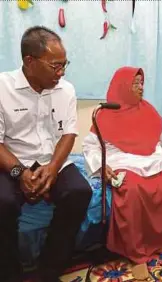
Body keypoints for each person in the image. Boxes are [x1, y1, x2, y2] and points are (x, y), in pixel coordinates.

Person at [82, 67, 162, 281]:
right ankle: (137, 254)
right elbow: (90, 147)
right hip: (123, 160)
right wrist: (101, 166)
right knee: (132, 190)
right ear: (123, 87)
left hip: (153, 159)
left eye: (141, 83)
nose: (140, 88)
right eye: (135, 84)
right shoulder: (104, 114)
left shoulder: (148, 109)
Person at [0, 26, 92, 282]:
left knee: (79, 192)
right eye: (55, 66)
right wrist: (20, 174)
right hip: (12, 161)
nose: (61, 73)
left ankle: (49, 269)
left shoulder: (66, 90)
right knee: (2, 202)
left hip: (53, 159)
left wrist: (52, 169)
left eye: (65, 65)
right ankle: (9, 273)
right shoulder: (2, 87)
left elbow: (68, 134)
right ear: (30, 61)